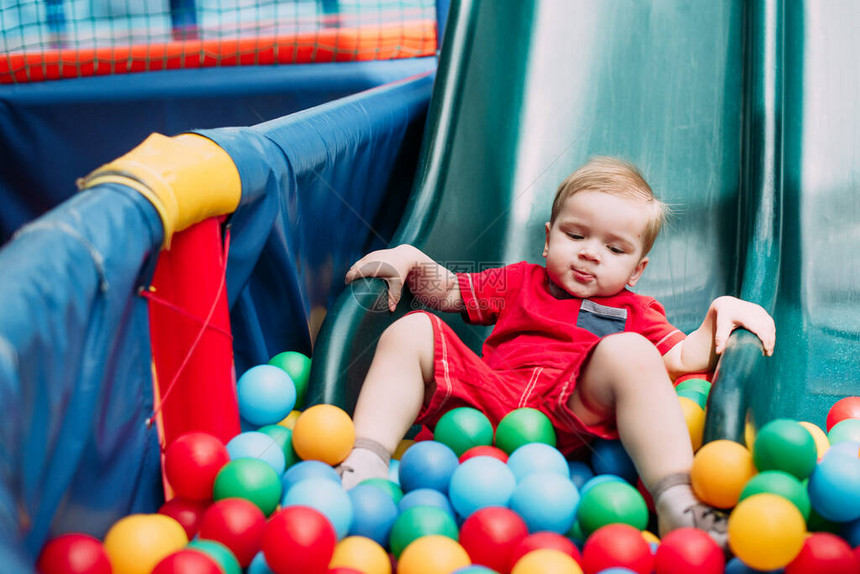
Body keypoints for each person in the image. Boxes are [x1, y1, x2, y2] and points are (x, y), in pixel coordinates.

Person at [336, 157, 775, 545]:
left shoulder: (634, 311)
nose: (589, 254)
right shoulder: (519, 282)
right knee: (414, 328)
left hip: (571, 412)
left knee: (632, 352)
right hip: (488, 398)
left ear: (637, 269)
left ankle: (678, 501)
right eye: (575, 235)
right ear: (548, 239)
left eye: (614, 248)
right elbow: (450, 291)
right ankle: (366, 459)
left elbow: (679, 359)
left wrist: (719, 315)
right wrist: (409, 258)